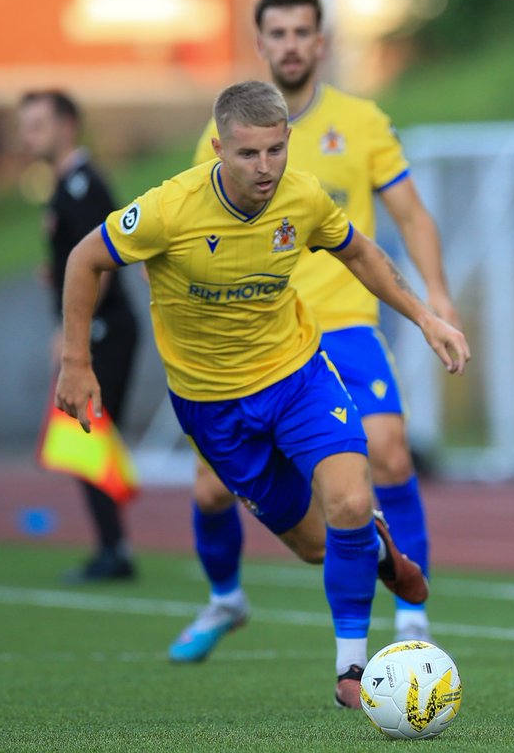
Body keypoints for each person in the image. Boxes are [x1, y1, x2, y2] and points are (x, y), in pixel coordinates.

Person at [54, 81, 470, 708]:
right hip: (214, 406)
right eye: (248, 153)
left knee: (351, 498)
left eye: (276, 150)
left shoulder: (302, 197)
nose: (265, 167)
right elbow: (85, 259)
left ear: (288, 141)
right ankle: (372, 549)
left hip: (297, 377)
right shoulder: (169, 209)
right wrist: (75, 361)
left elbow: (359, 252)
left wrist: (425, 318)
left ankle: (352, 667)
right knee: (315, 546)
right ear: (218, 148)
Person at [169, 0, 461, 664]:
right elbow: (190, 229)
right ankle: (225, 599)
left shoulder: (361, 121)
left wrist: (437, 297)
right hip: (253, 338)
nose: (291, 44)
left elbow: (411, 214)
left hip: (344, 321)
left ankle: (412, 616)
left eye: (303, 31)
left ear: (320, 42)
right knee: (211, 488)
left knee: (390, 450)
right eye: (278, 33)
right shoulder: (224, 134)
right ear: (260, 43)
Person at [18, 90, 140, 584]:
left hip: (103, 332)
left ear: (67, 125)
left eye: (38, 125)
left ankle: (115, 550)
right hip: (98, 331)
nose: (28, 136)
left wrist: (76, 337)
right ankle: (113, 545)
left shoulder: (82, 184)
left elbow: (100, 263)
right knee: (87, 437)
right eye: (26, 126)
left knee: (85, 434)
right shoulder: (66, 185)